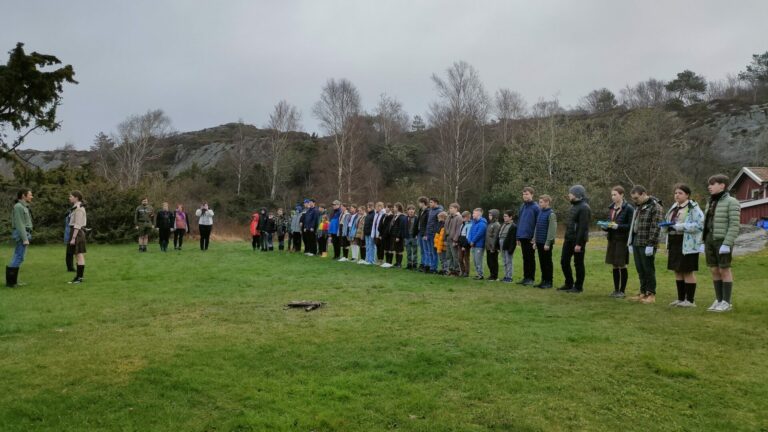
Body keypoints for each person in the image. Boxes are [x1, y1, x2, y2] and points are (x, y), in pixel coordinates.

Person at [702, 174, 741, 312]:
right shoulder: (710, 201)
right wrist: (703, 240)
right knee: (714, 269)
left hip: (722, 241)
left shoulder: (732, 202)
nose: (709, 187)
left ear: (722, 185)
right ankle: (718, 300)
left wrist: (727, 243)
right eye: (709, 184)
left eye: (712, 184)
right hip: (710, 240)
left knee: (724, 269)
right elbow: (706, 223)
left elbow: (735, 225)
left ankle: (726, 302)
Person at [663, 184, 704, 308]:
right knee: (677, 270)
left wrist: (680, 226)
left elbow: (699, 225)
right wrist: (666, 226)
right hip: (674, 240)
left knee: (687, 271)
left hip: (687, 243)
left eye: (680, 193)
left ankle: (690, 300)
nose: (677, 195)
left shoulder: (693, 208)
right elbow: (669, 220)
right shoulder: (674, 207)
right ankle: (681, 299)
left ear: (687, 195)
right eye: (675, 193)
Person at [627, 186, 664, 304]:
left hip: (647, 242)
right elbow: (634, 225)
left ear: (644, 194)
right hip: (637, 241)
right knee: (640, 269)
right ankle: (642, 292)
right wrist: (631, 242)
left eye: (636, 198)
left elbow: (656, 226)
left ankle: (651, 294)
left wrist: (651, 244)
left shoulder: (655, 206)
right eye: (633, 199)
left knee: (648, 268)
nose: (635, 200)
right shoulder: (638, 206)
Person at [559, 186, 591, 293]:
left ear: (577, 194)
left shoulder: (584, 208)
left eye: (571, 193)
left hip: (578, 241)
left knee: (578, 263)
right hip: (568, 239)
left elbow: (583, 228)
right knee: (564, 261)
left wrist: (578, 244)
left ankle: (578, 287)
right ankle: (568, 283)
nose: (569, 195)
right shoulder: (573, 206)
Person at [603, 186, 634, 298]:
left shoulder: (629, 208)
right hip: (612, 239)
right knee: (614, 265)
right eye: (612, 195)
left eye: (615, 194)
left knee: (622, 265)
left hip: (622, 240)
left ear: (622, 195)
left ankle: (622, 291)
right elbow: (608, 221)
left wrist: (618, 226)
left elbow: (630, 226)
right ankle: (616, 290)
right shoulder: (611, 208)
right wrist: (605, 226)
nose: (613, 197)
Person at [6, 189, 33, 288]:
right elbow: (19, 224)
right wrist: (25, 238)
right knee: (18, 257)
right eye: (30, 195)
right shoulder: (18, 207)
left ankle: (13, 282)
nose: (31, 196)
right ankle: (11, 283)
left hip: (25, 233)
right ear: (23, 196)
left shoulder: (23, 206)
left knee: (19, 256)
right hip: (22, 234)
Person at [517, 187, 540, 285]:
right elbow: (520, 221)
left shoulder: (536, 207)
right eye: (523, 194)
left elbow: (538, 223)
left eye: (527, 194)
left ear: (532, 195)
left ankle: (531, 278)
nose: (525, 196)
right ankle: (526, 277)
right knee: (525, 258)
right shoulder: (522, 206)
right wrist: (517, 236)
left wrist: (535, 238)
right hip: (522, 236)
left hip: (530, 237)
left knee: (530, 258)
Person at [533, 195, 557, 289]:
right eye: (539, 202)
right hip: (539, 241)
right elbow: (537, 227)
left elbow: (552, 230)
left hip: (545, 243)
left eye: (541, 202)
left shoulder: (551, 214)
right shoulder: (540, 212)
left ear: (547, 202)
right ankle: (543, 281)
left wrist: (548, 242)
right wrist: (535, 240)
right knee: (542, 262)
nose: (539, 204)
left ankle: (549, 282)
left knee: (547, 263)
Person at [67, 191, 87, 284]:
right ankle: (78, 277)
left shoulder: (78, 209)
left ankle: (80, 278)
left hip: (77, 233)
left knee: (79, 255)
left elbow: (77, 224)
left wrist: (73, 238)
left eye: (71, 196)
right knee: (77, 255)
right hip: (75, 232)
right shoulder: (75, 208)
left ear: (76, 197)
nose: (69, 198)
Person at [425, 198, 444, 274]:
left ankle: (434, 268)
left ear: (436, 203)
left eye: (431, 202)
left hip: (434, 234)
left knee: (434, 252)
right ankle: (430, 266)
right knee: (430, 252)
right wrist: (426, 233)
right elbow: (429, 223)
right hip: (428, 234)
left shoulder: (439, 211)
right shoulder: (430, 210)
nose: (429, 203)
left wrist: (436, 232)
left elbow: (439, 223)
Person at [468, 208, 488, 280]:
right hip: (473, 244)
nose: (473, 214)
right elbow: (470, 232)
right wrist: (470, 241)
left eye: (474, 213)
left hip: (479, 245)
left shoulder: (483, 224)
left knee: (478, 260)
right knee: (475, 260)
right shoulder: (473, 222)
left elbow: (479, 234)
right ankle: (477, 273)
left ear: (479, 214)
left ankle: (480, 274)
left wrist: (473, 241)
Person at [386, 203, 407, 268]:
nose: (393, 208)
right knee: (396, 249)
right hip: (393, 235)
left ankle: (399, 264)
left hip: (398, 236)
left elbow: (401, 227)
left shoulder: (402, 216)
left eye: (394, 207)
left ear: (398, 208)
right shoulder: (395, 215)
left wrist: (398, 236)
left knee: (399, 250)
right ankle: (396, 263)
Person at [499, 210, 518, 283]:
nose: (504, 218)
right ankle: (506, 275)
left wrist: (511, 249)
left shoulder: (513, 226)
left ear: (510, 217)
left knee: (508, 261)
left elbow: (513, 239)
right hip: (502, 244)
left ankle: (509, 277)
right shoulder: (503, 224)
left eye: (506, 216)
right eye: (504, 216)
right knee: (504, 261)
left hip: (508, 245)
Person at [445, 203, 463, 276]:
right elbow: (445, 228)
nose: (450, 209)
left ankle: (457, 271)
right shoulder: (449, 217)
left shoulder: (459, 217)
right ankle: (451, 269)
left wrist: (455, 240)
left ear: (456, 209)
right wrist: (445, 239)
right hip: (448, 239)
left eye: (451, 208)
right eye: (449, 208)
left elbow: (458, 230)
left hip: (454, 240)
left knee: (455, 256)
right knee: (449, 256)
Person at [485, 209, 501, 281]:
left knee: (493, 261)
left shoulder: (496, 225)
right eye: (489, 215)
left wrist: (493, 247)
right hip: (488, 246)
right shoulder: (490, 224)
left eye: (491, 215)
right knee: (489, 261)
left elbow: (495, 237)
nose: (489, 216)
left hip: (493, 247)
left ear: (495, 216)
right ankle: (491, 274)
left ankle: (495, 276)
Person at [415, 196, 429, 271]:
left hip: (424, 233)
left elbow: (427, 224)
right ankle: (422, 264)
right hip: (419, 233)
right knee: (422, 250)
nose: (418, 204)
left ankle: (427, 265)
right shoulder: (420, 211)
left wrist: (425, 234)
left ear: (423, 203)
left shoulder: (428, 211)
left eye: (419, 203)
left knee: (426, 250)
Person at [458, 211, 472, 277]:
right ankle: (462, 271)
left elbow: (468, 236)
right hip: (460, 243)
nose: (462, 219)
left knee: (466, 258)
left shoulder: (470, 225)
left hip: (466, 244)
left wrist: (464, 245)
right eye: (462, 217)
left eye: (464, 217)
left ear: (468, 217)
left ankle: (466, 272)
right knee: (460, 258)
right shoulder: (462, 224)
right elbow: (460, 234)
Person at [405, 205, 419, 270]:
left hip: (414, 237)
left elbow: (418, 228)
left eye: (412, 209)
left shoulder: (417, 218)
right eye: (409, 209)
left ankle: (415, 264)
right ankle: (409, 264)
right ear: (407, 211)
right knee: (408, 251)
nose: (411, 211)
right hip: (407, 237)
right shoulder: (405, 218)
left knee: (415, 251)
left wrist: (416, 235)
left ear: (414, 211)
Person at [64, 199, 75, 272]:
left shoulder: (69, 212)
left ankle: (70, 267)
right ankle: (70, 268)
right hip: (70, 232)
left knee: (69, 251)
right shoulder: (71, 213)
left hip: (69, 232)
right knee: (70, 251)